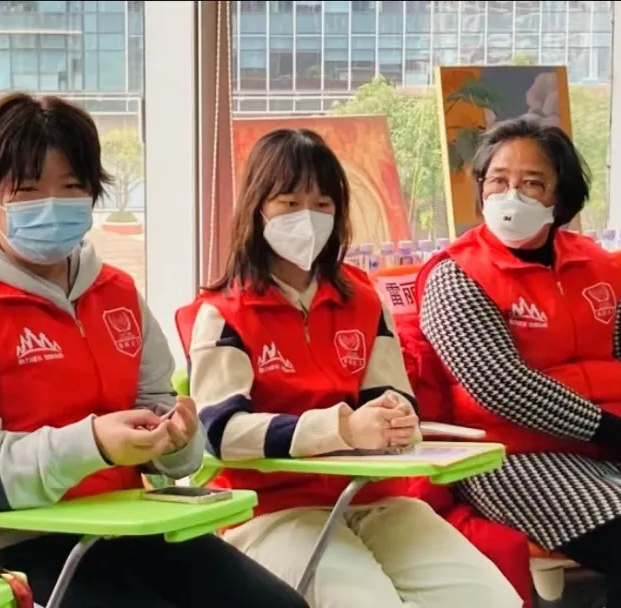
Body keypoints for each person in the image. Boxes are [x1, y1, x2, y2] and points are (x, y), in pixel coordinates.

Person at [0, 92, 307, 608]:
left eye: (71, 186)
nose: (52, 202)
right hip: (6, 544)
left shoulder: (116, 293)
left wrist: (174, 440)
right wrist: (92, 445)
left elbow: (167, 429)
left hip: (126, 524)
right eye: (27, 189)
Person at [416, 117, 621, 608]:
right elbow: (500, 386)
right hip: (508, 458)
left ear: (561, 196)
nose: (512, 195)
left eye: (532, 183)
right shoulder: (454, 275)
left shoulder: (596, 264)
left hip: (609, 448)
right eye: (498, 181)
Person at [182, 128, 521, 608]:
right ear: (257, 208)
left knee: (490, 599)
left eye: (322, 204)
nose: (308, 217)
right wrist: (341, 428)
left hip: (376, 499)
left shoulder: (363, 300)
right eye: (289, 202)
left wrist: (397, 419)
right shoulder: (224, 312)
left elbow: (392, 398)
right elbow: (220, 432)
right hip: (273, 510)